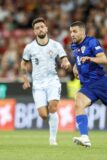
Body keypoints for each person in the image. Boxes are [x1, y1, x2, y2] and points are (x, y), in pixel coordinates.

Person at [21, 17, 71, 145]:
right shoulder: (29, 47)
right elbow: (23, 63)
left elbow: (64, 58)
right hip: (37, 83)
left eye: (42, 26)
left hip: (52, 80)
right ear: (34, 32)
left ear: (46, 28)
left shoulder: (56, 45)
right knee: (43, 115)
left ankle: (52, 139)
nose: (40, 29)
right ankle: (50, 116)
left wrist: (65, 63)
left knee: (53, 107)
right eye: (37, 28)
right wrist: (25, 78)